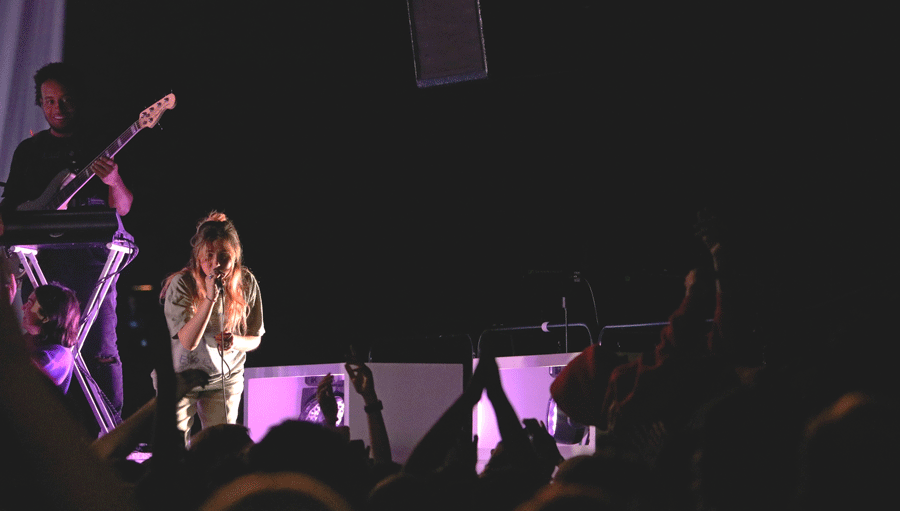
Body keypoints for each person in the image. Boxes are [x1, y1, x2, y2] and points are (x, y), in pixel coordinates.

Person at [0, 62, 134, 420]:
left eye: (65, 100)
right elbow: (10, 209)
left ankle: (109, 429)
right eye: (49, 101)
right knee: (41, 347)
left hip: (93, 263)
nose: (57, 108)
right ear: (40, 102)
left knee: (100, 348)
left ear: (79, 101)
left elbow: (123, 207)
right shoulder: (29, 152)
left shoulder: (99, 145)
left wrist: (114, 180)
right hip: (40, 263)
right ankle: (42, 427)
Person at [159, 211, 264, 446]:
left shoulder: (247, 283)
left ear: (235, 257)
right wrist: (209, 298)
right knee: (174, 447)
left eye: (224, 256)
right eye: (208, 256)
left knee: (222, 448)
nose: (216, 264)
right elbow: (188, 341)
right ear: (198, 257)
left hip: (225, 377)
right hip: (181, 376)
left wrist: (235, 341)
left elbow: (255, 338)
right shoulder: (182, 284)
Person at [21, 283, 80, 394]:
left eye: (29, 303)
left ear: (46, 316)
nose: (23, 307)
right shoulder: (32, 340)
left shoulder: (59, 355)